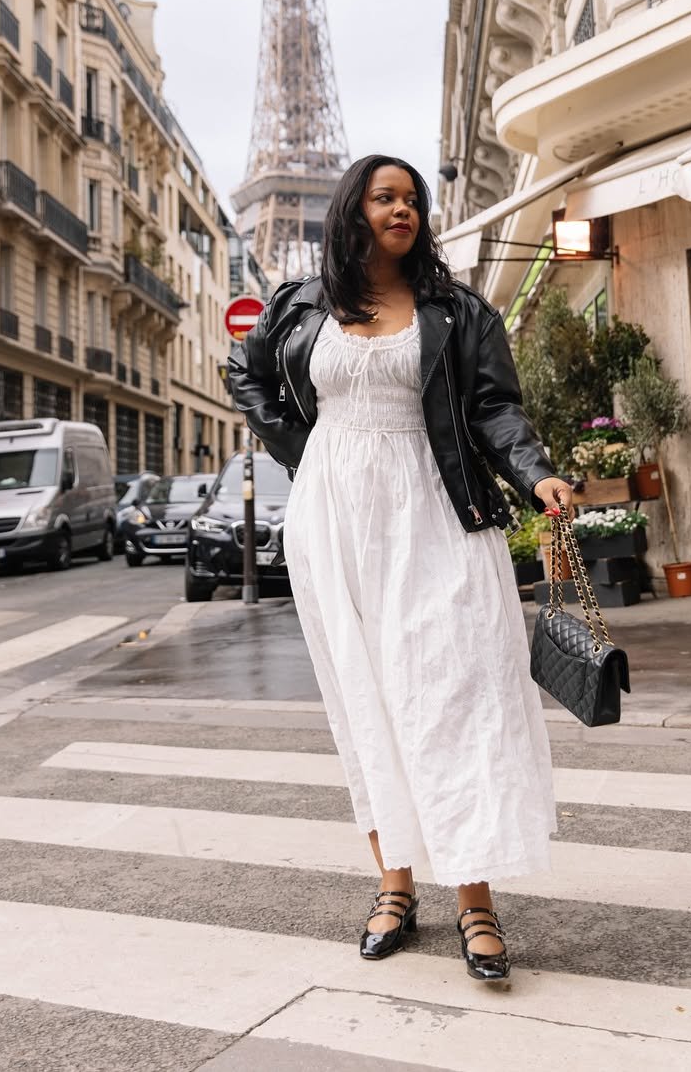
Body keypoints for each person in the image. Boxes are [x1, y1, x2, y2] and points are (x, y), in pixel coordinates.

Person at [227, 154, 572, 982]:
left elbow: (494, 408)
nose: (402, 209)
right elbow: (245, 372)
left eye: (413, 199)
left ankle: (476, 897)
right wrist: (305, 452)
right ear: (352, 210)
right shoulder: (303, 304)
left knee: (457, 694)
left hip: (437, 507)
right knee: (368, 698)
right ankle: (393, 883)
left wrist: (536, 473)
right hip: (336, 521)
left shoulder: (455, 309)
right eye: (385, 197)